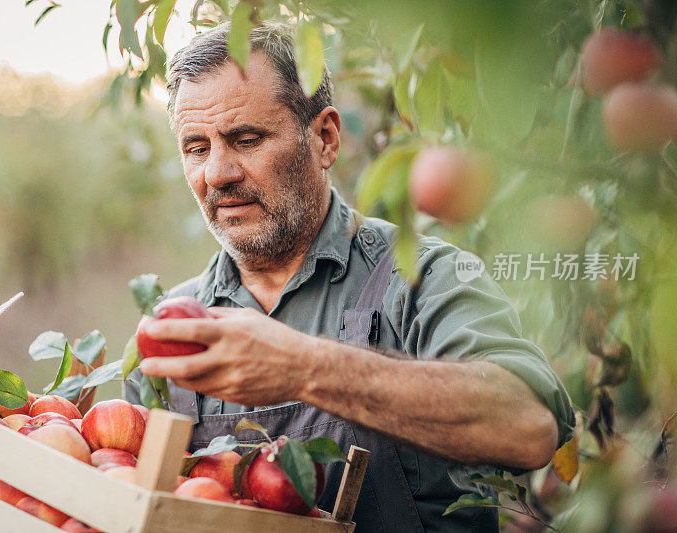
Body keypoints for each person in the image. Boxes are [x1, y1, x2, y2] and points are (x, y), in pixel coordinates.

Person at [124, 21, 575, 532]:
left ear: (325, 138)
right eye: (197, 148)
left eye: (246, 139)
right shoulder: (173, 329)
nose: (218, 173)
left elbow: (530, 425)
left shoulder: (422, 277)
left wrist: (304, 368)